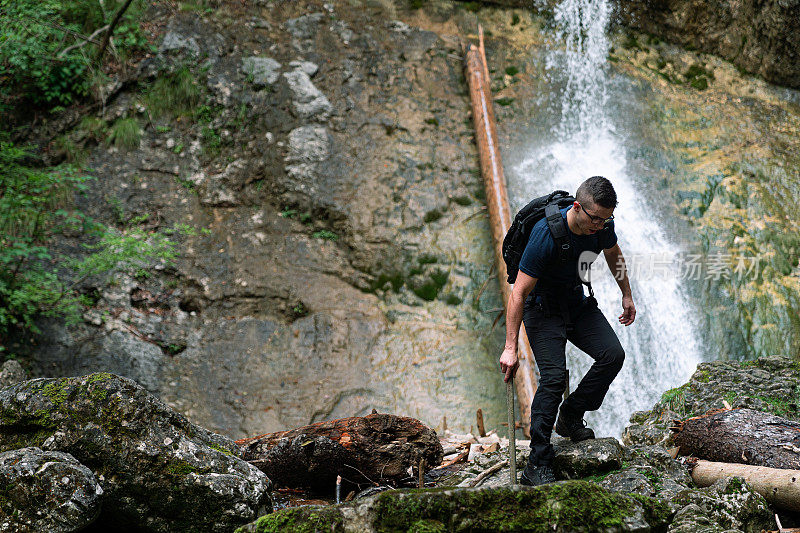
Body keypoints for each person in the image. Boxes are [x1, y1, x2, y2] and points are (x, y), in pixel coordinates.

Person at [498, 176, 636, 486]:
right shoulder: (545, 234)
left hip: (575, 300)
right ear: (577, 208)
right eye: (595, 219)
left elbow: (615, 255)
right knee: (554, 377)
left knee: (612, 354)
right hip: (541, 308)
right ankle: (537, 462)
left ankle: (571, 415)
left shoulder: (601, 225)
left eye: (606, 219)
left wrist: (626, 294)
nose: (600, 226)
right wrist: (510, 347)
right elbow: (518, 293)